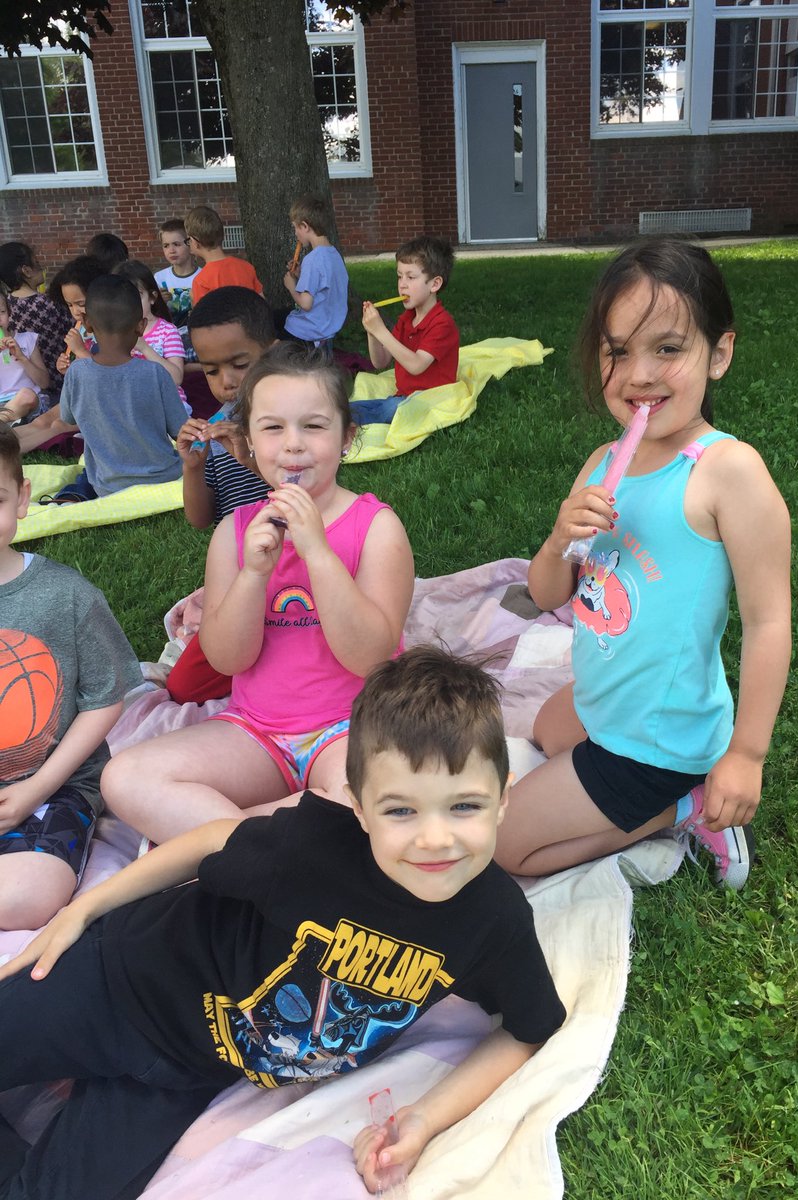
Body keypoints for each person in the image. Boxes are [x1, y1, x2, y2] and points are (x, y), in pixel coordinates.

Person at [0, 646, 565, 1200]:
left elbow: (527, 1028)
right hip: (117, 980)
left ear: (502, 800)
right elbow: (213, 841)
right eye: (401, 810)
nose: (435, 838)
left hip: (182, 1071)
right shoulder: (312, 846)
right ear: (359, 809)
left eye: (464, 806)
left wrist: (423, 1119)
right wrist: (84, 909)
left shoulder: (495, 921)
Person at [493, 238, 791, 891]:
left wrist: (746, 756)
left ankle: (685, 805)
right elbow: (548, 594)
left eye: (668, 349)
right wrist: (554, 543)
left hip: (664, 732)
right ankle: (660, 789)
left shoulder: (725, 474)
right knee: (546, 727)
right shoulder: (604, 461)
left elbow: (769, 623)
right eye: (617, 351)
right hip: (610, 698)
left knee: (507, 846)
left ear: (719, 354)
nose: (639, 374)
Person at [102, 342, 414, 842]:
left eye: (313, 426)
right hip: (255, 731)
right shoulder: (236, 531)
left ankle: (240, 842)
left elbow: (370, 657)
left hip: (354, 728)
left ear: (347, 438)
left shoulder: (375, 527)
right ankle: (269, 839)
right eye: (272, 427)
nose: (292, 445)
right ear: (247, 441)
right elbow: (226, 658)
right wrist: (252, 575)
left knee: (381, 803)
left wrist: (317, 553)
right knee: (125, 777)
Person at [0, 427, 142, 931]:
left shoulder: (67, 596)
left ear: (21, 498)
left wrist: (37, 788)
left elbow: (105, 699)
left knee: (26, 896)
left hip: (54, 786)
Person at [166, 287, 277, 705]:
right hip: (242, 579)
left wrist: (252, 459)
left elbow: (315, 500)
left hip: (299, 567)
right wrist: (192, 468)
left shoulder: (294, 424)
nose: (227, 382)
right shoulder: (215, 430)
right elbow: (200, 519)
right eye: (211, 371)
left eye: (240, 364)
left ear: (273, 352)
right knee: (182, 687)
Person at [45, 275, 185, 503]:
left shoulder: (77, 373)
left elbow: (68, 418)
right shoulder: (155, 373)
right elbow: (180, 431)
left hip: (107, 484)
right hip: (163, 477)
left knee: (85, 475)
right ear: (140, 326)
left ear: (87, 324)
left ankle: (74, 495)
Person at [358, 235, 459, 426]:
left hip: (430, 401)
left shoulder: (442, 323)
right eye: (399, 276)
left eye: (411, 277)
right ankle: (340, 419)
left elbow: (416, 365)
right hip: (402, 398)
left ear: (434, 284)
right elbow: (380, 362)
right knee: (349, 408)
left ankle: (341, 424)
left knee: (389, 409)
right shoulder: (406, 320)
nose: (402, 284)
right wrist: (371, 331)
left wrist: (381, 331)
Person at [13, 256, 106, 454]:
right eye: (69, 305)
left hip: (100, 402)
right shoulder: (80, 327)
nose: (75, 311)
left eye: (80, 303)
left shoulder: (111, 330)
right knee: (42, 421)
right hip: (77, 396)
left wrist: (80, 351)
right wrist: (65, 366)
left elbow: (107, 374)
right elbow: (79, 367)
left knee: (57, 426)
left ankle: (10, 452)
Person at [113, 259, 188, 408]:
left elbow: (176, 377)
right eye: (123, 297)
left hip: (166, 405)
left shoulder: (167, 331)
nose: (130, 303)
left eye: (137, 296)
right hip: (129, 407)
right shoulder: (114, 333)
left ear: (152, 297)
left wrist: (145, 348)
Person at [0, 241, 69, 396]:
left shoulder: (6, 306)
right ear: (26, 271)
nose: (41, 266)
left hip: (24, 387)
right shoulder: (50, 304)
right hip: (61, 382)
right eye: (37, 262)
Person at [280, 193, 348, 350]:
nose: (296, 234)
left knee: (274, 330)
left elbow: (306, 303)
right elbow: (324, 284)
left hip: (310, 331)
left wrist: (291, 286)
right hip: (328, 326)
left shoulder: (312, 259)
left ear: (305, 226)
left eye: (295, 228)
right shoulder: (333, 253)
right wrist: (301, 275)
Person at [186, 205, 264, 304]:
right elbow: (262, 303)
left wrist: (194, 302)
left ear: (195, 241)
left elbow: (204, 318)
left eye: (188, 240)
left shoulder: (201, 281)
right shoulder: (246, 267)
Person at [0, 290, 50, 426]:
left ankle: (5, 425)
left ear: (9, 313)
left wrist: (21, 357)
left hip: (30, 402)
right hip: (3, 405)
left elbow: (44, 383)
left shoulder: (27, 339)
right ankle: (8, 425)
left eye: (2, 312)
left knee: (25, 395)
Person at [153, 218, 201, 328]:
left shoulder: (202, 276)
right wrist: (159, 301)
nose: (171, 250)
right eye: (166, 245)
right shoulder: (159, 278)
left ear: (190, 243)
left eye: (176, 244)